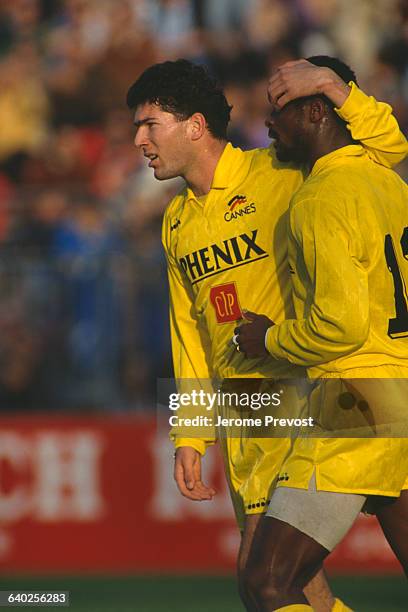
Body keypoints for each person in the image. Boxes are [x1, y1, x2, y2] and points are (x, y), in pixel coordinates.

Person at [126, 58, 407, 611]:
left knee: (265, 580)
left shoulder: (280, 170)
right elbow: (189, 335)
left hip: (308, 399)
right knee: (289, 588)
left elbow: (381, 148)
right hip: (247, 412)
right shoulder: (177, 221)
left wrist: (334, 89)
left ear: (195, 125)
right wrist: (190, 434)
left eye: (149, 124)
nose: (138, 140)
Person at [235, 56, 408, 611]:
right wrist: (339, 87)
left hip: (356, 402)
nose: (268, 125)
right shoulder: (388, 180)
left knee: (268, 583)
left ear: (315, 112)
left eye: (279, 113)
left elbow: (339, 324)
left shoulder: (319, 198)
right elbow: (390, 139)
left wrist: (269, 340)